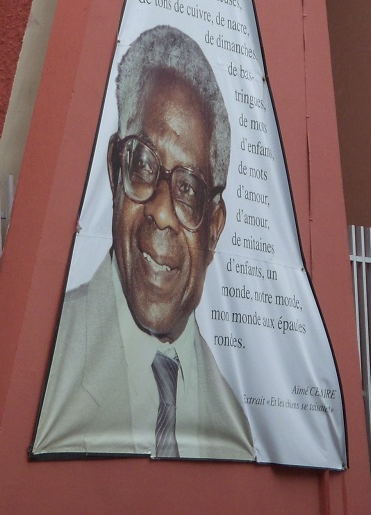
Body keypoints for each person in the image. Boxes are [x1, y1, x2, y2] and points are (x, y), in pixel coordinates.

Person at [32, 24, 254, 460]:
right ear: (116, 170)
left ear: (213, 229)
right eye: (144, 164)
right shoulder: (44, 358)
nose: (162, 211)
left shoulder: (233, 427)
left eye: (189, 189)